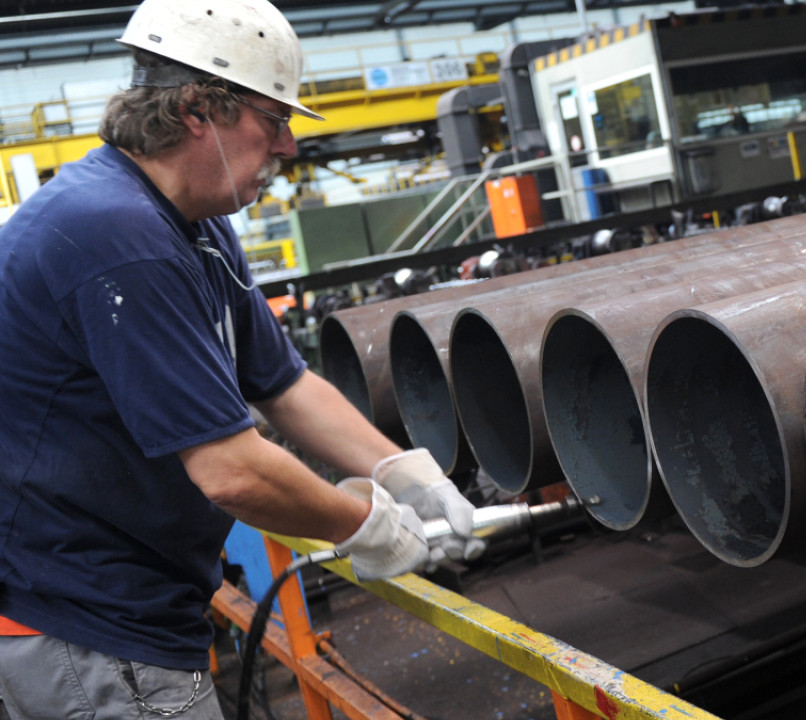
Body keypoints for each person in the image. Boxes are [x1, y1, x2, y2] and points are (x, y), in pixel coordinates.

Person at [0, 1, 479, 718]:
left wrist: (399, 470)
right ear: (199, 110)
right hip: (87, 628)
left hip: (124, 608)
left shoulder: (194, 224)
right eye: (274, 119)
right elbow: (231, 471)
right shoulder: (114, 236)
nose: (287, 145)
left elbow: (283, 383)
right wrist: (361, 525)